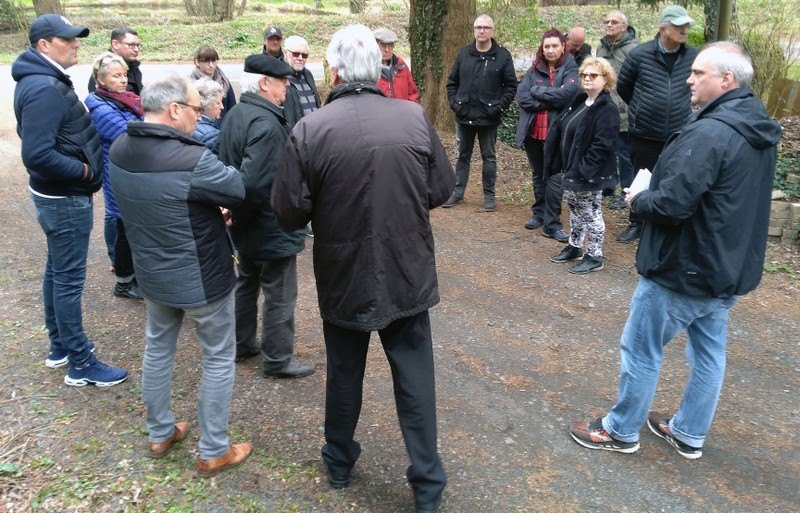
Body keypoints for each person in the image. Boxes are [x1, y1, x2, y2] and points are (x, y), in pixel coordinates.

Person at [569, 42, 782, 459]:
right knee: (708, 353)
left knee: (641, 347)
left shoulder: (711, 132)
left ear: (726, 79)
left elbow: (670, 204)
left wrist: (637, 200)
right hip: (727, 268)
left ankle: (621, 429)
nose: (689, 78)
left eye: (698, 73)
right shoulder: (758, 128)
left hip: (684, 268)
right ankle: (688, 431)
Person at [272, 24, 453, 513]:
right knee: (414, 377)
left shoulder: (311, 128)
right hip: (405, 270)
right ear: (379, 68)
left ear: (333, 70)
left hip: (345, 271)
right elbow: (441, 188)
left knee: (345, 372)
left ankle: (339, 460)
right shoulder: (413, 119)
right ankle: (426, 482)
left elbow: (289, 209)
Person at [108, 74, 252, 475]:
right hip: (201, 278)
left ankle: (160, 432)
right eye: (194, 108)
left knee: (158, 348)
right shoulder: (191, 158)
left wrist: (201, 206)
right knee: (219, 357)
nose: (198, 115)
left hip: (153, 275)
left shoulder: (120, 148)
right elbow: (237, 187)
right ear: (174, 110)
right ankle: (213, 449)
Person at [12, 14, 128, 386]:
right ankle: (80, 362)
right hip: (64, 198)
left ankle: (59, 346)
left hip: (58, 196)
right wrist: (83, 171)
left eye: (76, 38)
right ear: (44, 45)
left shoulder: (42, 80)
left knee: (56, 271)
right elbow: (36, 153)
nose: (76, 43)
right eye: (67, 39)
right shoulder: (44, 87)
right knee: (67, 279)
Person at [217, 54, 314, 379]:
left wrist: (231, 210)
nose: (286, 88)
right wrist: (237, 208)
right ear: (263, 83)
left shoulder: (236, 114)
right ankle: (277, 359)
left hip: (246, 224)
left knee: (247, 283)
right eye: (282, 83)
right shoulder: (267, 124)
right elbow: (255, 182)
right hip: (270, 225)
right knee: (280, 292)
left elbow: (223, 163)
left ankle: (241, 344)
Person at [615, 5, 697, 243]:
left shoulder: (693, 56)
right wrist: (643, 109)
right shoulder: (640, 54)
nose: (684, 30)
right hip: (645, 133)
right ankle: (637, 222)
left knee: (674, 178)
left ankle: (666, 224)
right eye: (679, 26)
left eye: (686, 26)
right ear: (663, 28)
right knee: (642, 178)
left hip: (679, 133)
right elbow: (624, 87)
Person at [546, 58, 619, 273]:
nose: (587, 78)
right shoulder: (580, 101)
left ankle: (595, 256)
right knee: (575, 210)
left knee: (591, 212)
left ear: (605, 80)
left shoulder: (606, 108)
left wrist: (584, 169)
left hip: (589, 173)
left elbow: (602, 145)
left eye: (593, 75)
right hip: (571, 169)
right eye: (584, 75)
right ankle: (575, 246)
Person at [85, 52, 145, 300]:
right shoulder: (99, 105)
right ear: (101, 80)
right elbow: (126, 131)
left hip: (130, 169)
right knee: (124, 228)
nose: (123, 80)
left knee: (133, 228)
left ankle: (134, 275)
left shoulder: (125, 99)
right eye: (116, 76)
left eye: (124, 75)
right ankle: (123, 282)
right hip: (118, 173)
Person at [444, 14, 516, 212]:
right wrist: (455, 104)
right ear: (474, 30)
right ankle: (457, 193)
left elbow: (510, 86)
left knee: (489, 157)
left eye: (485, 27)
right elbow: (452, 83)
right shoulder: (464, 54)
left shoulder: (502, 55)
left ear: (492, 30)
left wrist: (498, 107)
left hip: (489, 117)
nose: (481, 31)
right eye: (478, 27)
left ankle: (489, 196)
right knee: (462, 156)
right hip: (464, 114)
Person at [515, 28, 579, 241]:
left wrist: (538, 92)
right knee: (538, 174)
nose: (550, 50)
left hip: (557, 134)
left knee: (555, 176)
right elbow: (522, 97)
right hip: (534, 132)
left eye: (554, 46)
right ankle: (539, 214)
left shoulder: (570, 68)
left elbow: (567, 95)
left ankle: (552, 223)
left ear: (563, 47)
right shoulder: (535, 69)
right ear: (542, 49)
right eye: (547, 46)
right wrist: (549, 99)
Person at [597, 10, 639, 210]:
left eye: (614, 22)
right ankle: (608, 185)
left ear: (624, 26)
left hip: (625, 108)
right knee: (606, 148)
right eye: (606, 22)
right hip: (605, 106)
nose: (609, 25)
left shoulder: (634, 49)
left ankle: (626, 190)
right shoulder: (601, 47)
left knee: (624, 152)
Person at [88, 26, 142, 95]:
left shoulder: (133, 66)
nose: (136, 49)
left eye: (138, 45)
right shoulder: (103, 69)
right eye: (131, 45)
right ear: (115, 44)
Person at [283, 35, 322, 127]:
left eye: (304, 55)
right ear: (285, 53)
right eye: (296, 54)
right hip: (295, 135)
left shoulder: (308, 75)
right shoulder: (278, 77)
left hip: (315, 131)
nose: (300, 58)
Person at [190, 44, 236, 122]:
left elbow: (233, 109)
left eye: (214, 61)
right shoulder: (191, 85)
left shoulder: (224, 82)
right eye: (206, 61)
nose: (211, 65)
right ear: (197, 62)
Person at [373, 27, 419, 102]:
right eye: (383, 45)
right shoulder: (368, 69)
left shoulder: (400, 65)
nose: (387, 50)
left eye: (390, 45)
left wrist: (410, 111)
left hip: (402, 112)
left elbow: (412, 93)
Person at [192, 76, 225, 150]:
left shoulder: (189, 121)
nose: (222, 107)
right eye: (218, 103)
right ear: (205, 104)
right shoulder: (211, 136)